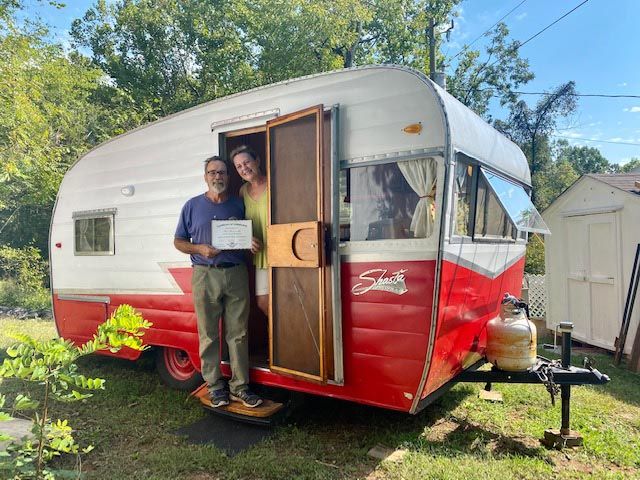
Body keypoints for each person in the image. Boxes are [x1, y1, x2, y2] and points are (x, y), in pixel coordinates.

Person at [174, 155, 263, 408]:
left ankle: (240, 387)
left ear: (228, 176)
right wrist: (200, 248)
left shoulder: (238, 204)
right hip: (204, 274)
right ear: (205, 176)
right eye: (213, 172)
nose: (218, 177)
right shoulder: (192, 206)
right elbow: (178, 242)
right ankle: (215, 387)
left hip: (235, 272)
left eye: (222, 172)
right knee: (209, 334)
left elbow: (248, 233)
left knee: (239, 333)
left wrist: (252, 242)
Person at [231, 145, 269, 317]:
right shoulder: (242, 191)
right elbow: (240, 222)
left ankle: (282, 342)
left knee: (285, 299)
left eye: (246, 162)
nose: (244, 168)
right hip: (261, 254)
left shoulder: (274, 183)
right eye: (239, 166)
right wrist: (247, 239)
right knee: (263, 303)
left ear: (257, 161)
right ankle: (277, 340)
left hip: (281, 250)